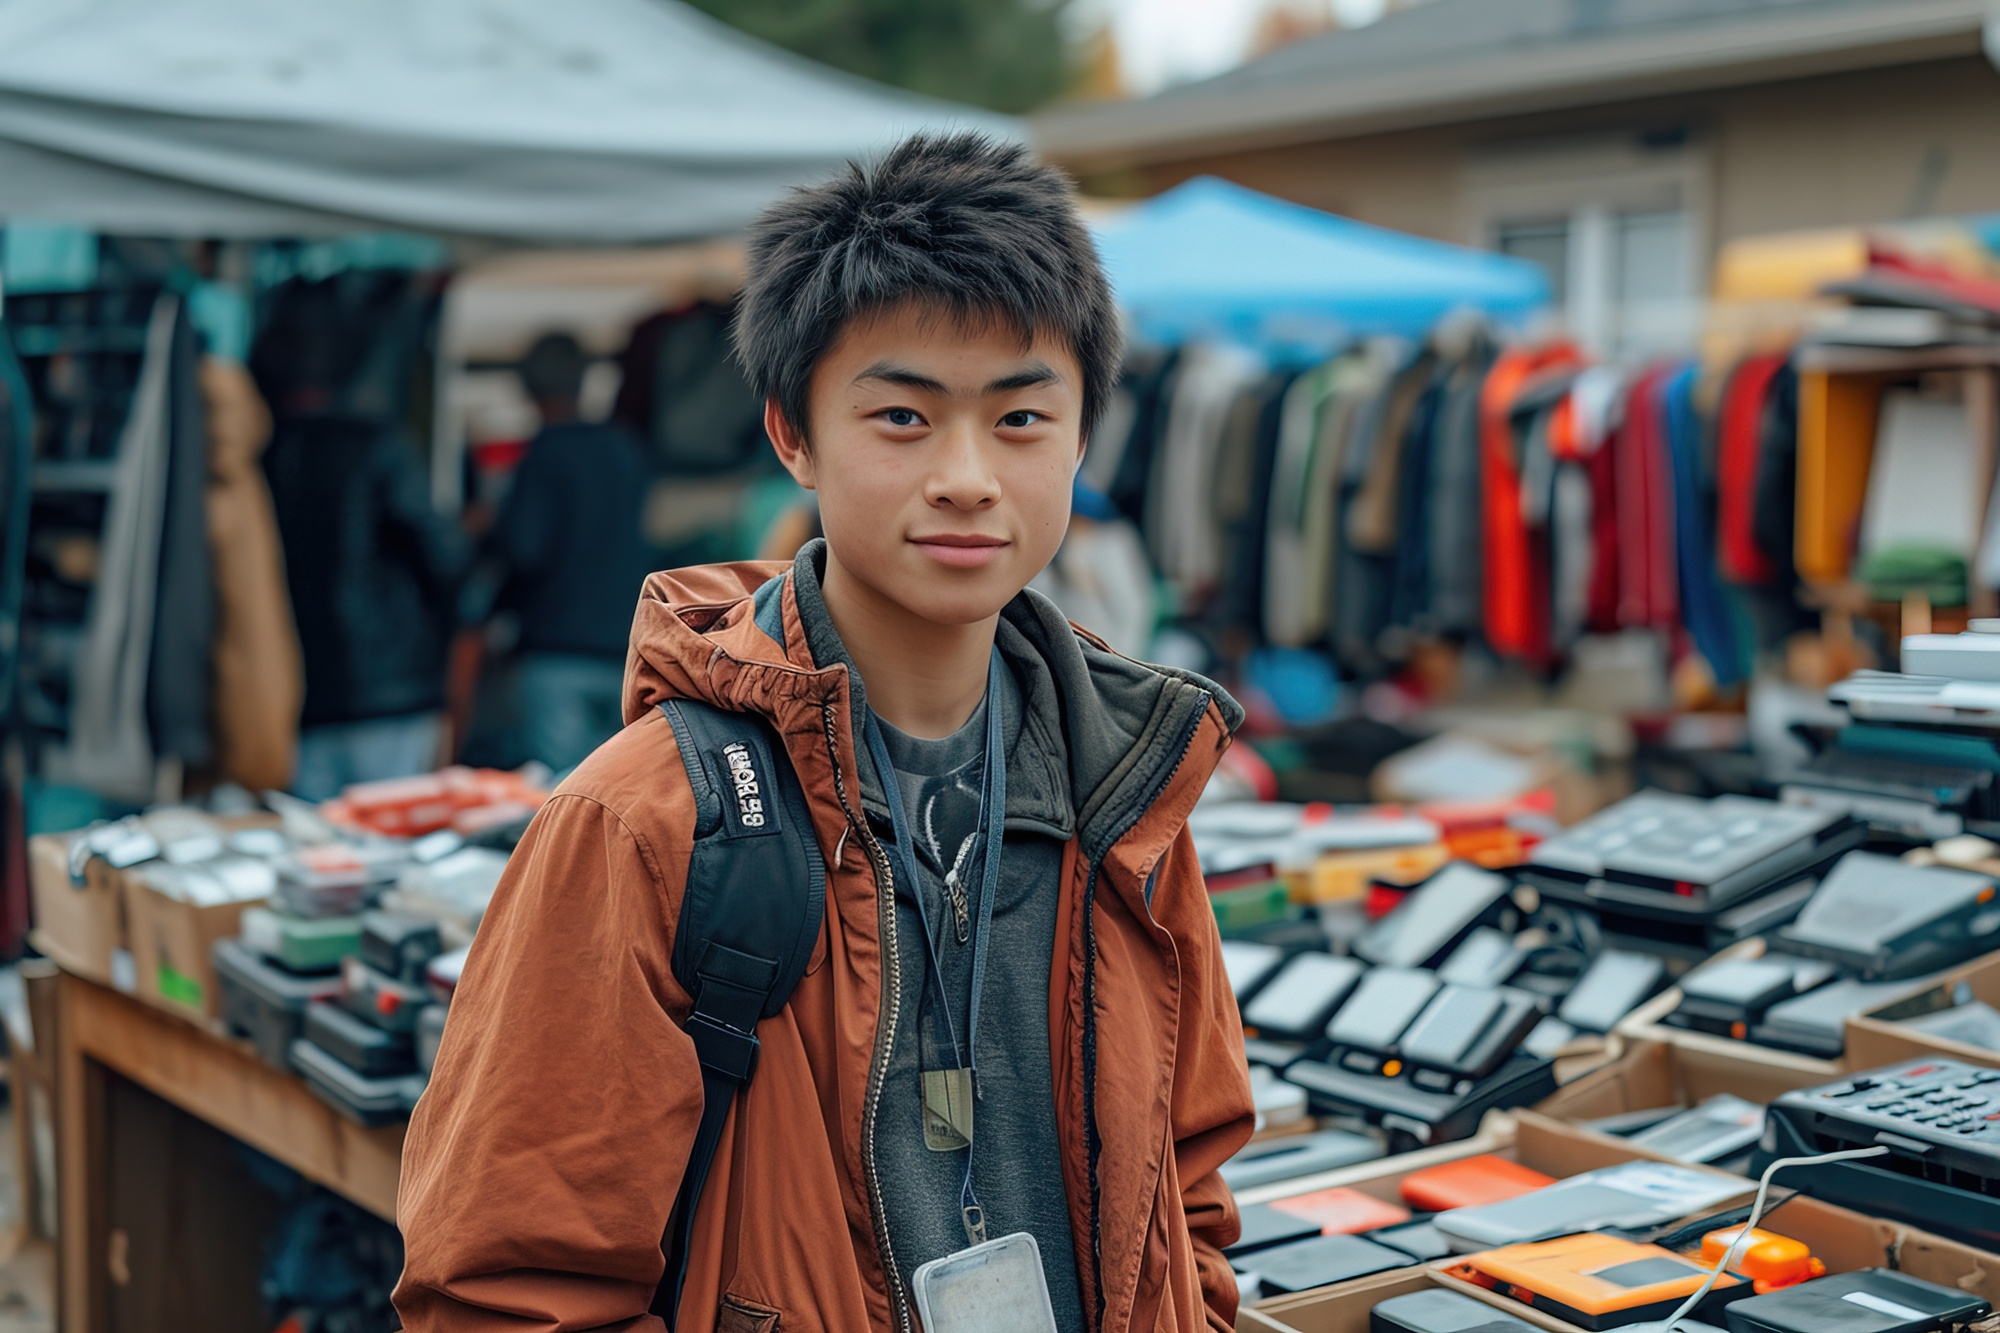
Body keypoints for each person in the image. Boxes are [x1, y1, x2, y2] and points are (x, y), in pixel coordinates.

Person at [394, 134, 1254, 1333]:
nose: (965, 476)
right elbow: (506, 1287)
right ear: (791, 434)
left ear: (1081, 436)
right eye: (901, 414)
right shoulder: (645, 823)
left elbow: (1191, 1188)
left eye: (1018, 418)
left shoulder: (1124, 781)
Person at [256, 279, 469, 802]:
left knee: (316, 858)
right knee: (396, 860)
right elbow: (446, 555)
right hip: (390, 690)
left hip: (300, 693)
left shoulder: (257, 461)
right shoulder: (376, 447)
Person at [484, 332, 651, 773]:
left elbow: (524, 548)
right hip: (626, 648)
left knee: (560, 794)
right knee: (622, 789)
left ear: (527, 389)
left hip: (555, 652)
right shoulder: (625, 449)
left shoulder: (544, 454)